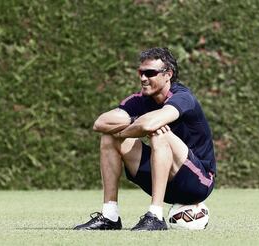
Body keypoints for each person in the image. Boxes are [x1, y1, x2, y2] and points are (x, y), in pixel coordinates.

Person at [74, 47, 216, 231]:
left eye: (150, 73)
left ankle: (155, 216)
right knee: (109, 137)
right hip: (165, 181)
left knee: (159, 133)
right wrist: (132, 124)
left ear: (168, 75)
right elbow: (100, 122)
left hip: (197, 182)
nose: (143, 78)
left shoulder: (183, 97)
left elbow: (150, 124)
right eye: (141, 72)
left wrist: (124, 131)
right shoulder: (140, 100)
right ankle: (110, 216)